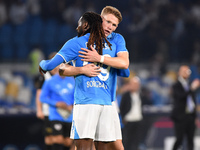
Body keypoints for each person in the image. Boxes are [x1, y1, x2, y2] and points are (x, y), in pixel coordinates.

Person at [39, 11, 129, 150]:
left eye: (114, 24)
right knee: (105, 147)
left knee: (83, 147)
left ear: (85, 25)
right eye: (108, 22)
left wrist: (42, 64)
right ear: (100, 21)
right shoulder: (111, 46)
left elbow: (53, 66)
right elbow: (125, 70)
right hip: (106, 104)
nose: (76, 28)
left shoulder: (77, 42)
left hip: (86, 102)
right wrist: (84, 69)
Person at [40, 64, 75, 150]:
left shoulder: (72, 81)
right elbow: (42, 98)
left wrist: (72, 105)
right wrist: (56, 103)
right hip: (56, 114)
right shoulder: (50, 81)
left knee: (68, 141)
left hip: (69, 115)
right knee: (57, 139)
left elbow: (76, 96)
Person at [170, 65, 200, 150]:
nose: (187, 73)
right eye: (184, 71)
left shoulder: (189, 84)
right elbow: (181, 97)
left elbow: (192, 101)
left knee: (191, 139)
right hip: (180, 116)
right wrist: (191, 88)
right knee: (179, 139)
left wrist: (195, 116)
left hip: (190, 116)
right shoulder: (176, 85)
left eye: (188, 71)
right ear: (179, 73)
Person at [34, 52, 57, 150]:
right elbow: (39, 94)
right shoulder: (44, 76)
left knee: (65, 138)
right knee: (49, 137)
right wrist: (39, 110)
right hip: (48, 111)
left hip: (64, 112)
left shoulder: (66, 74)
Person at [119, 76, 143, 150]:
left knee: (136, 141)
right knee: (127, 141)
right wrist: (124, 118)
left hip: (138, 120)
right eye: (133, 84)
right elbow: (122, 107)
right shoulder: (126, 95)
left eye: (137, 84)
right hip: (129, 120)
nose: (135, 86)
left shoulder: (141, 95)